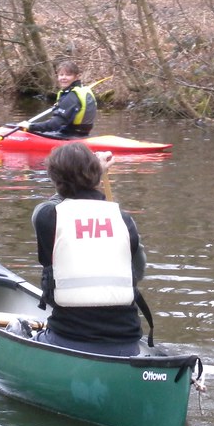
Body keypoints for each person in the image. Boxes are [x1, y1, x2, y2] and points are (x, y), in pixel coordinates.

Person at [29, 143, 146, 355]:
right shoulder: (124, 219)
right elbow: (139, 272)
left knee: (20, 329)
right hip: (126, 343)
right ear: (96, 178)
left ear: (55, 179)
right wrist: (95, 174)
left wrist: (89, 173)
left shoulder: (46, 217)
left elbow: (58, 204)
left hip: (67, 339)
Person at [24, 60, 98, 137]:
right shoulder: (81, 90)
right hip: (81, 134)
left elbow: (55, 124)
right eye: (61, 75)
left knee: (29, 131)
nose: (63, 78)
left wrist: (31, 126)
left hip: (69, 136)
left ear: (76, 77)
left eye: (68, 75)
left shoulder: (72, 96)